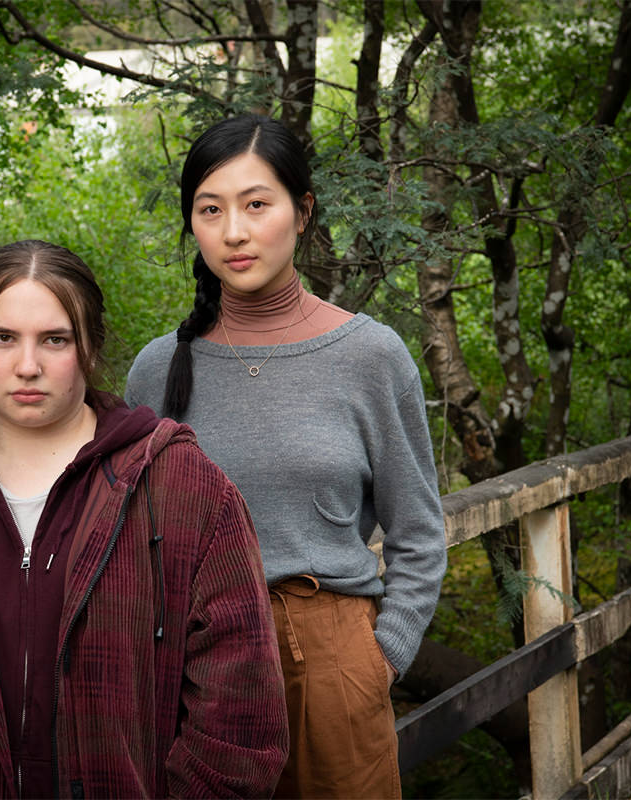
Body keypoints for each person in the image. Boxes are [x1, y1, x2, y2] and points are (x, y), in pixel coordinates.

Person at [0, 239, 288, 799]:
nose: (28, 366)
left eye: (54, 339)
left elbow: (241, 710)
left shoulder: (183, 489)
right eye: (3, 338)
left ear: (89, 348)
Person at [125, 115, 447, 799]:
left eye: (256, 204)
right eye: (210, 210)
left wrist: (376, 662)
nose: (234, 232)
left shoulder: (369, 356)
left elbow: (418, 534)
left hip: (331, 658)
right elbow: (135, 541)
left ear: (302, 212)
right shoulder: (157, 371)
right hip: (195, 669)